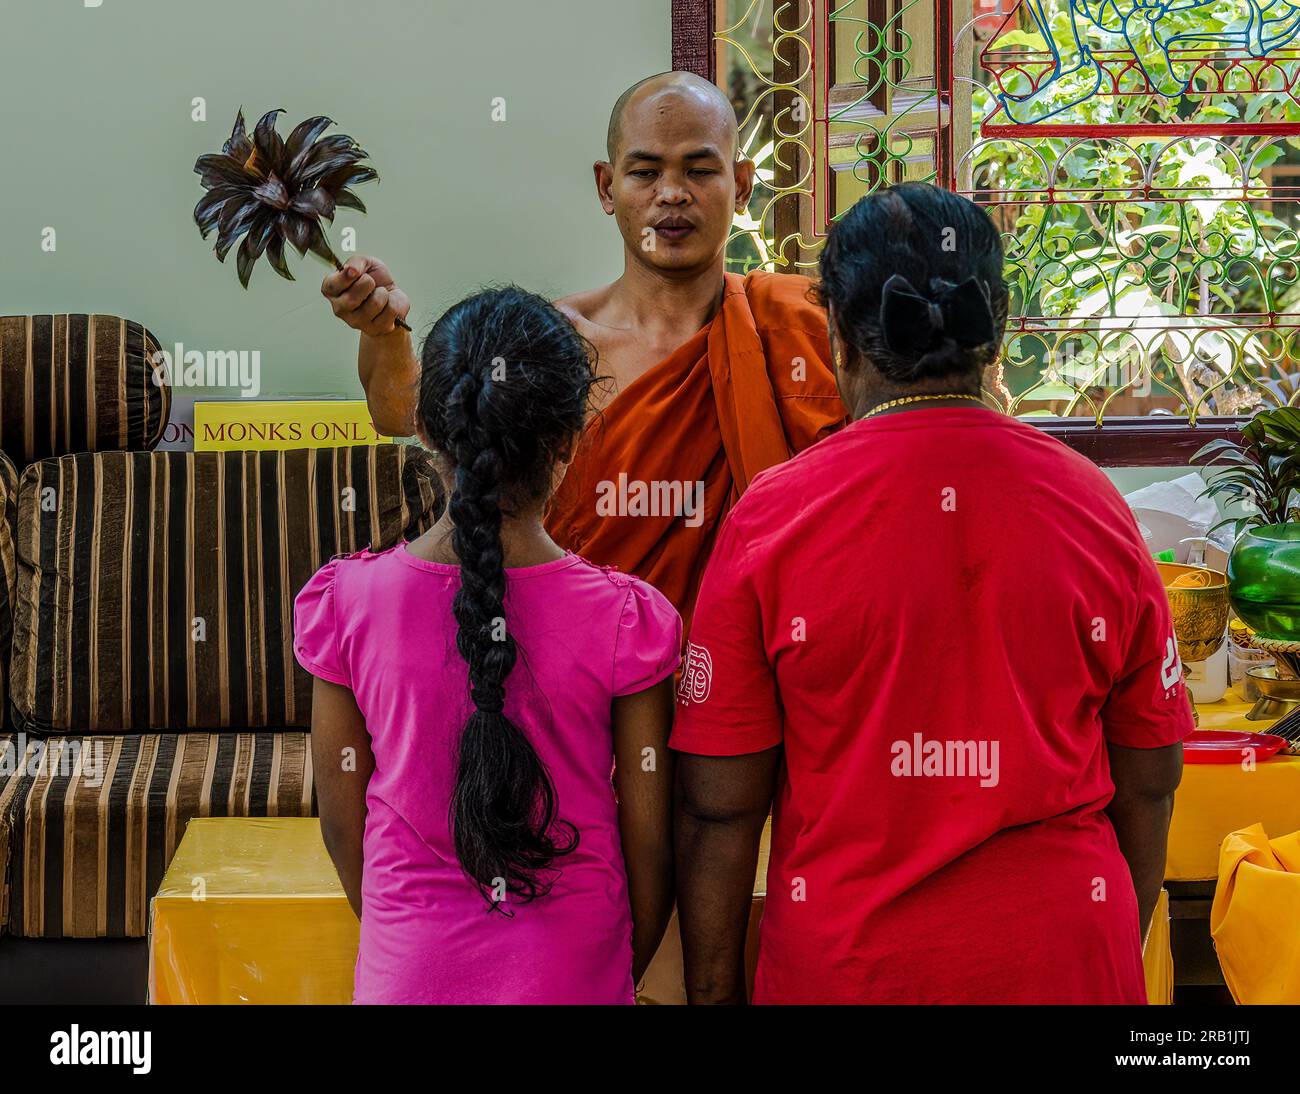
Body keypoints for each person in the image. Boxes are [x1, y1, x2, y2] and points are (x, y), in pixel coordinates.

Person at [671, 182, 1192, 1004]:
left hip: (849, 971)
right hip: (1062, 961)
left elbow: (719, 808)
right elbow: (1151, 778)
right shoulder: (1095, 507)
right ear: (1000, 322)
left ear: (837, 335)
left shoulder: (771, 521)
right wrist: (1101, 945)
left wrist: (711, 995)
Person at [322, 70, 846, 633]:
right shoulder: (557, 339)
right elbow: (404, 414)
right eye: (645, 172)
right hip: (583, 670)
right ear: (606, 186)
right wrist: (383, 333)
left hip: (746, 680)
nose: (672, 193)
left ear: (741, 185)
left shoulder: (803, 325)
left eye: (699, 170)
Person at [295, 287, 680, 1004]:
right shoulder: (628, 621)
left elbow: (343, 830)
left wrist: (404, 936)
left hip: (408, 972)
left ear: (432, 433)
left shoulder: (347, 606)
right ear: (568, 438)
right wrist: (607, 973)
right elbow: (650, 849)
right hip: (575, 971)